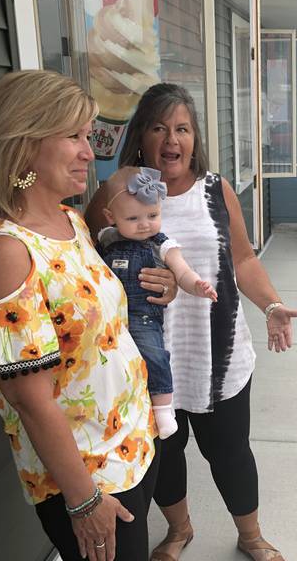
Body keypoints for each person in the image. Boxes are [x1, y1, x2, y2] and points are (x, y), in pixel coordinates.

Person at [85, 83, 297, 561]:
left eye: (182, 128)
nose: (171, 139)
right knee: (165, 455)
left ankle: (251, 535)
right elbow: (91, 269)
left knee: (230, 454)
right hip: (146, 360)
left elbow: (242, 260)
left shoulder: (214, 189)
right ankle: (179, 530)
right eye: (160, 127)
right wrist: (139, 283)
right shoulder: (115, 189)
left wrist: (271, 306)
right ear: (141, 134)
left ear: (195, 137)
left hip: (216, 355)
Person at [0, 70, 160, 561]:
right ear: (23, 143)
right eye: (74, 136)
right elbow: (28, 398)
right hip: (88, 478)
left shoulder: (69, 219)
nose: (90, 152)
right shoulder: (4, 250)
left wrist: (164, 283)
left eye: (88, 136)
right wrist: (84, 500)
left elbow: (96, 318)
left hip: (131, 443)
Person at [97, 165, 218, 439]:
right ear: (110, 217)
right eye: (133, 218)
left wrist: (197, 285)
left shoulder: (162, 244)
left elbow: (183, 272)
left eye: (153, 215)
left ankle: (163, 409)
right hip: (110, 317)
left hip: (142, 316)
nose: (144, 224)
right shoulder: (105, 240)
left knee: (154, 354)